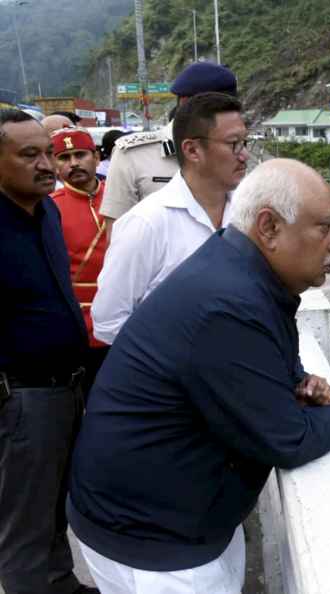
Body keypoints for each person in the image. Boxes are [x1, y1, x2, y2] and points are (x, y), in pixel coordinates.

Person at [68, 159, 330, 594]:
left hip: (170, 520)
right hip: (155, 545)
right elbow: (289, 440)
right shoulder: (228, 303)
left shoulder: (241, 274)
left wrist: (298, 379)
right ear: (268, 227)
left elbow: (258, 363)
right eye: (325, 228)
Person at [0, 109, 96, 594]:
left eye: (48, 153)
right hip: (22, 398)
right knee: (25, 522)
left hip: (66, 387)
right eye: (29, 154)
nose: (47, 165)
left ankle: (59, 582)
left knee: (54, 504)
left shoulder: (49, 211)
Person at [92, 92, 248, 344]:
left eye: (245, 142)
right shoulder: (146, 224)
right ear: (192, 150)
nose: (244, 155)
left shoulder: (247, 214)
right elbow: (108, 322)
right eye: (233, 144)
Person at [99, 62, 238, 225]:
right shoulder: (132, 156)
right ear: (186, 103)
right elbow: (116, 234)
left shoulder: (235, 151)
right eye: (219, 110)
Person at [50, 128, 110, 395]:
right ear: (54, 165)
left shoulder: (122, 197)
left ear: (96, 157)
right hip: (78, 326)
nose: (73, 163)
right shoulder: (48, 207)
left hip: (127, 320)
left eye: (80, 154)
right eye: (64, 157)